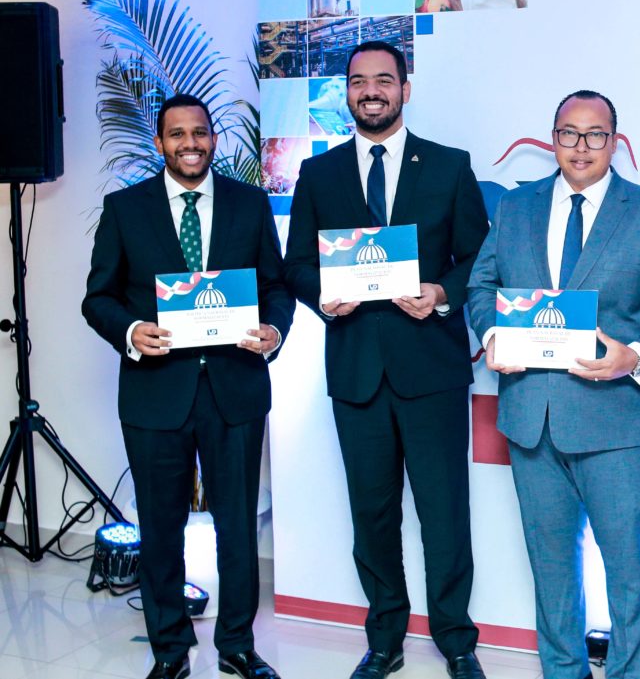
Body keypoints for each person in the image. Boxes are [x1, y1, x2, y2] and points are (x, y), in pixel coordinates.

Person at [467, 90, 640, 679]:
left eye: (595, 134)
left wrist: (636, 356)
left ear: (615, 142)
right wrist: (492, 335)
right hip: (533, 419)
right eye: (569, 133)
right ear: (553, 139)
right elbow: (481, 286)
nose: (581, 146)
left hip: (618, 419)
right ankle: (563, 671)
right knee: (551, 570)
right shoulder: (515, 208)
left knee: (627, 570)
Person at [283, 41, 490, 679]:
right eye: (358, 81)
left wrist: (442, 293)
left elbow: (478, 258)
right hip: (357, 373)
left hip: (432, 370)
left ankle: (457, 640)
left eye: (383, 80)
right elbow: (296, 264)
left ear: (405, 88)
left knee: (444, 512)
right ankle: (384, 639)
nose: (370, 91)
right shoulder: (318, 174)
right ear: (346, 92)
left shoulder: (450, 166)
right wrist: (323, 295)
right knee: (371, 515)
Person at [82, 94, 294, 679]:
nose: (190, 143)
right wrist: (131, 331)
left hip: (235, 388)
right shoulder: (125, 209)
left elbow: (275, 286)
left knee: (237, 526)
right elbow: (97, 298)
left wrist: (274, 329)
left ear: (213, 139)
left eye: (199, 132)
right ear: (160, 143)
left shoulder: (249, 204)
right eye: (177, 134)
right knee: (160, 527)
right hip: (155, 392)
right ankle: (170, 650)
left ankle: (237, 646)